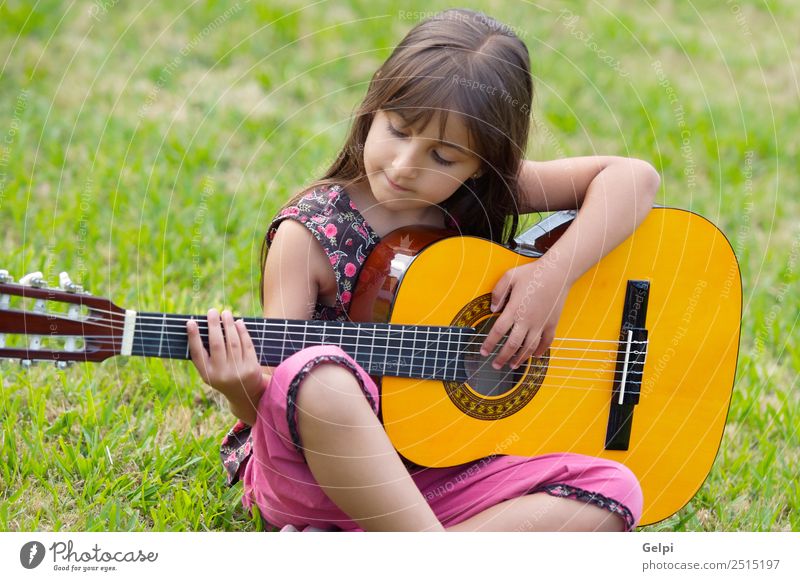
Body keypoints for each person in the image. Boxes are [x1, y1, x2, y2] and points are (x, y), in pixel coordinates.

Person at [186, 8, 659, 532]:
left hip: (443, 470)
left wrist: (550, 279)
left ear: (482, 164)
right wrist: (241, 386)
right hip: (323, 479)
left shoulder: (478, 196)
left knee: (615, 489)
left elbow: (634, 179)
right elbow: (280, 406)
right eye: (398, 129)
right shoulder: (308, 235)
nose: (406, 164)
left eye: (443, 156)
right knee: (314, 376)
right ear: (373, 109)